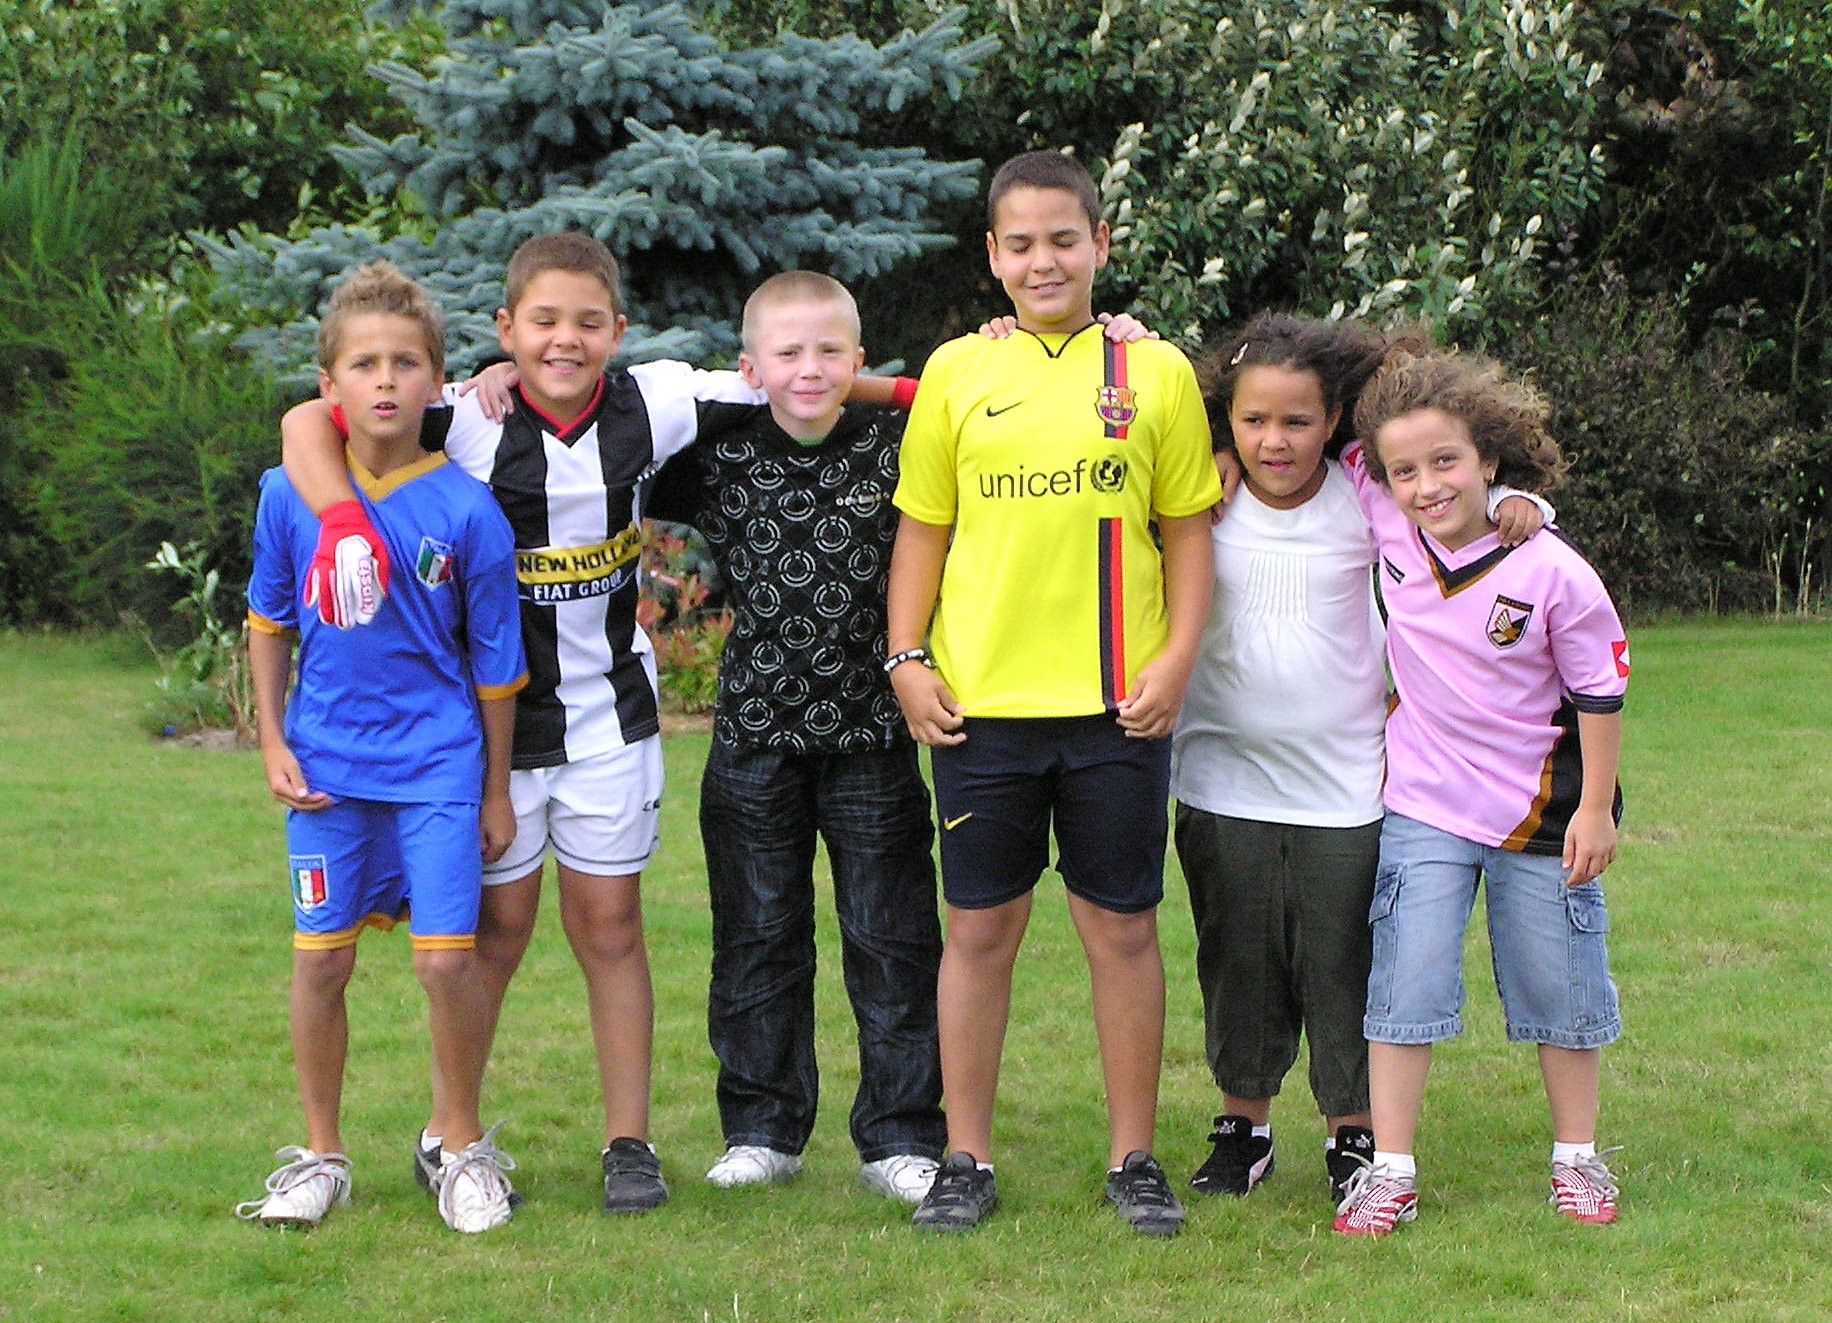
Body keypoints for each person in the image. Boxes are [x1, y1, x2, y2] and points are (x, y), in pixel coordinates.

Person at [278, 232, 772, 1215]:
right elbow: (306, 420)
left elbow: (801, 380)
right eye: (542, 321)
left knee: (610, 925)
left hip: (610, 718)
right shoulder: (465, 417)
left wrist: (953, 367)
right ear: (506, 329)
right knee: (494, 933)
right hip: (487, 734)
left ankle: (628, 1141)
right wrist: (341, 521)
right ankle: (448, 1133)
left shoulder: (656, 401)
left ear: (617, 331)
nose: (564, 340)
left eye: (587, 322)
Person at [886, 150, 1221, 1236]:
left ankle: (1134, 1157)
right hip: (980, 709)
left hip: (1117, 708)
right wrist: (906, 659)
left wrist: (1175, 660)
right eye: (1021, 244)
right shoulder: (957, 370)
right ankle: (966, 1158)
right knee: (979, 930)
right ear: (992, 255)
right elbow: (923, 532)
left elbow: (1187, 532)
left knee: (1120, 930)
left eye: (1063, 240)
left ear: (1100, 244)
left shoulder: (1153, 369)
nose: (1043, 261)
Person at [1172, 314, 1546, 1208]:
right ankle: (1243, 1126)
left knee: (1343, 965)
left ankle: (1354, 1131)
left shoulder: (1365, 496)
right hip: (1220, 777)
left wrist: (1519, 504)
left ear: (1334, 418)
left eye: (1297, 421)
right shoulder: (1198, 495)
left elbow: (1449, 508)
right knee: (1238, 959)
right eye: (1254, 421)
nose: (1274, 440)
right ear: (1227, 420)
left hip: (1347, 785)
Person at [641, 270, 945, 1204]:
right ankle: (762, 1128)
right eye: (787, 353)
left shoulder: (901, 444)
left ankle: (900, 1133)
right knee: (756, 937)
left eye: (829, 352)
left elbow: (970, 399)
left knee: (891, 940)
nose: (808, 369)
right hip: (754, 737)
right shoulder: (717, 454)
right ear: (750, 368)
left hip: (873, 734)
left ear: (860, 360)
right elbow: (612, 431)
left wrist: (890, 390)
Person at [237, 262, 527, 1233]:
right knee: (321, 965)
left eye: (406, 362)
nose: (386, 380)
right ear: (331, 385)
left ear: (438, 381)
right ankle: (320, 1157)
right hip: (327, 770)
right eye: (364, 364)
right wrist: (272, 738)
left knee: (446, 965)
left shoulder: (467, 510)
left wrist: (494, 791)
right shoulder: (289, 494)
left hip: (438, 766)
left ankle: (460, 1146)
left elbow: (496, 669)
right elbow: (269, 621)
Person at [1330, 345, 1629, 1236]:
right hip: (1423, 803)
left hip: (1541, 812)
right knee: (1405, 980)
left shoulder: (1551, 567)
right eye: (1405, 470)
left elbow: (1601, 690)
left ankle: (1577, 1157)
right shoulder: (1387, 517)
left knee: (1558, 987)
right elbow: (1317, 413)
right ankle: (1391, 1170)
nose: (1426, 485)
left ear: (1489, 458)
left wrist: (1594, 808)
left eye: (1446, 461)